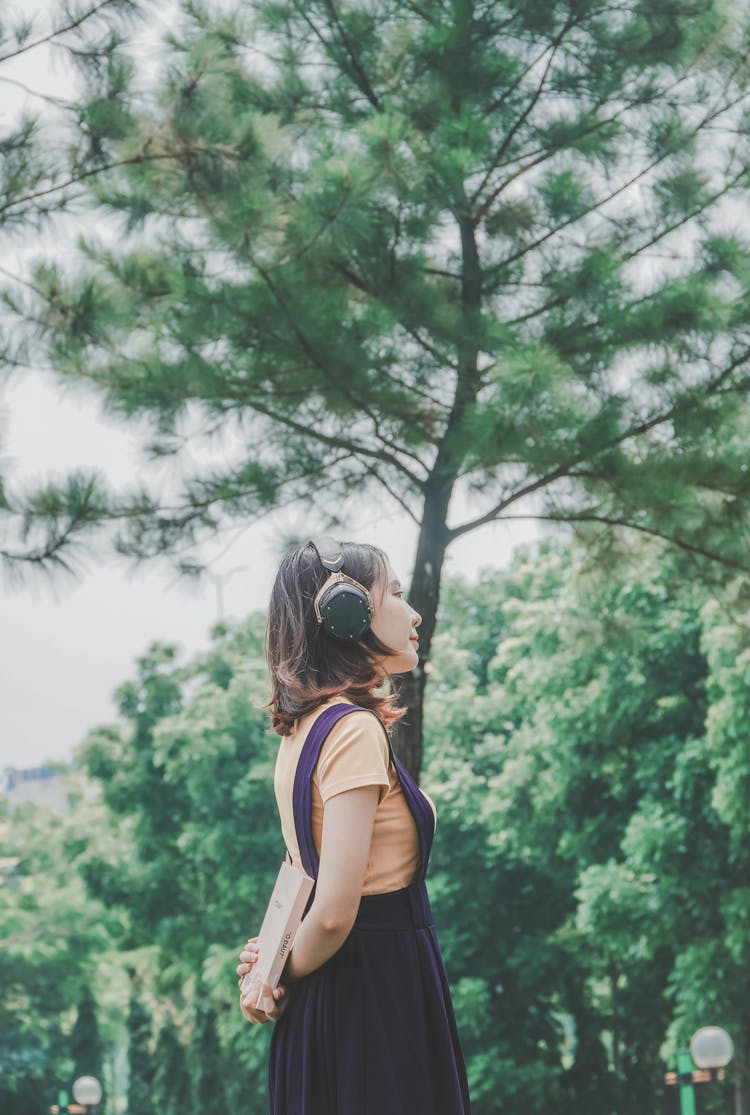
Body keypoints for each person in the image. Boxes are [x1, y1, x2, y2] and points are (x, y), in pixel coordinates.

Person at [236, 538, 471, 1114]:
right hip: (377, 996)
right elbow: (337, 910)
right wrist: (273, 974)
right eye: (392, 592)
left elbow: (300, 877)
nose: (413, 612)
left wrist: (269, 965)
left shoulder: (302, 733)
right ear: (345, 613)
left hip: (328, 1001)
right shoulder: (354, 730)